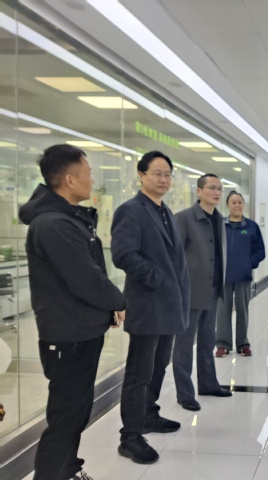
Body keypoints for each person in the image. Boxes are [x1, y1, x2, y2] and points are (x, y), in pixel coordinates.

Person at [19, 144, 126, 480]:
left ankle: (66, 470)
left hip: (80, 331)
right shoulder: (54, 224)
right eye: (88, 173)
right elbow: (85, 279)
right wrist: (118, 301)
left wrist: (104, 310)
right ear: (69, 179)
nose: (92, 180)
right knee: (66, 417)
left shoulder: (68, 219)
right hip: (67, 337)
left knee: (76, 413)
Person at [111, 151, 190, 464]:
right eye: (157, 173)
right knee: (139, 372)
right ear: (141, 175)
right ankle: (130, 436)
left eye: (168, 174)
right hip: (147, 305)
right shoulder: (131, 211)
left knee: (159, 365)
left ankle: (148, 414)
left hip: (168, 305)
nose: (164, 179)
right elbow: (123, 255)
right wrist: (157, 278)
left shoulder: (164, 210)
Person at [172, 174, 232, 412]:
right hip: (190, 292)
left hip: (213, 289)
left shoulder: (219, 219)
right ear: (199, 191)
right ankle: (184, 393)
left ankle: (208, 384)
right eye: (211, 188)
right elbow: (174, 256)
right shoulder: (184, 218)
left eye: (219, 188)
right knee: (184, 345)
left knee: (208, 341)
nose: (217, 192)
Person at [215, 190, 265, 357]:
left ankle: (243, 344)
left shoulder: (251, 227)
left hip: (243, 276)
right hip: (224, 277)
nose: (237, 205)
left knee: (242, 310)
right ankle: (223, 344)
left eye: (240, 202)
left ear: (243, 204)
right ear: (228, 205)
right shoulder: (220, 225)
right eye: (233, 202)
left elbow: (260, 251)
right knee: (223, 310)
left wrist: (249, 263)